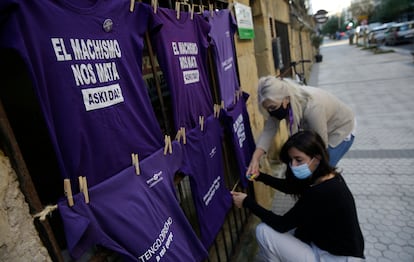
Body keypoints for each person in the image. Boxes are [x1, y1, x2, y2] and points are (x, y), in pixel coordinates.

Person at [232, 130, 365, 261]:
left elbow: (281, 224)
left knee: (263, 231)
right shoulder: (329, 177)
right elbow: (290, 187)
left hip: (335, 258)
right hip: (337, 250)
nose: (293, 165)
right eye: (291, 160)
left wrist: (247, 202)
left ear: (317, 158)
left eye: (298, 160)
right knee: (292, 234)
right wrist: (260, 176)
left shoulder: (321, 191)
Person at [247, 76, 355, 176]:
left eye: (272, 107)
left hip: (340, 129)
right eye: (267, 109)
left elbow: (321, 145)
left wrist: (308, 173)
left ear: (286, 99)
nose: (271, 112)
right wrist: (255, 159)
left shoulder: (312, 107)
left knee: (322, 172)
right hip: (320, 129)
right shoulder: (278, 102)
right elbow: (268, 132)